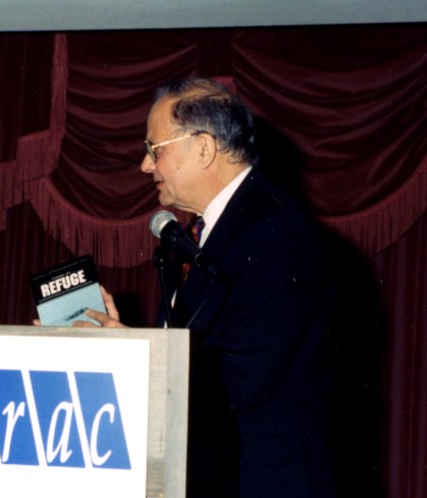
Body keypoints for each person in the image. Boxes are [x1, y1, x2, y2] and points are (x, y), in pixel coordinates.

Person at [80, 78, 337, 498]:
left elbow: (240, 378)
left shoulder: (280, 232)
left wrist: (132, 350)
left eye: (153, 149)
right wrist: (119, 338)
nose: (145, 166)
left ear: (202, 148)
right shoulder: (207, 234)